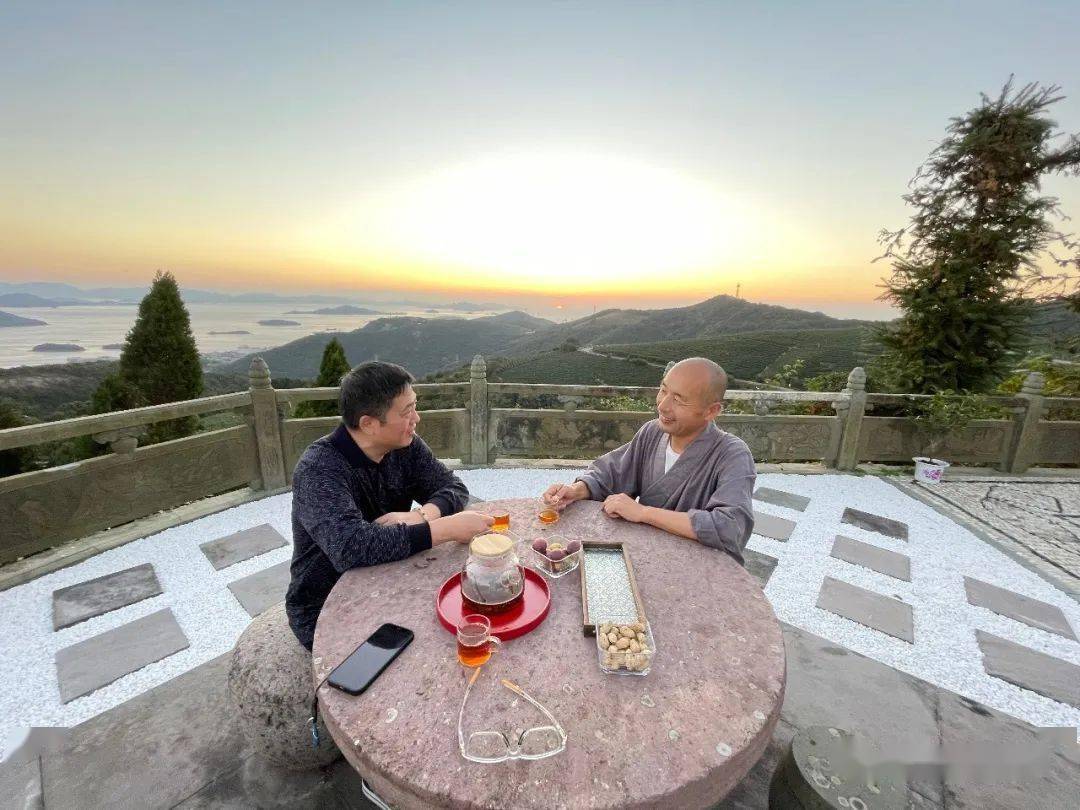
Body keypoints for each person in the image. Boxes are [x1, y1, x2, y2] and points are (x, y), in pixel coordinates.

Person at [286, 361, 493, 650]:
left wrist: (422, 515)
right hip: (329, 604)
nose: (416, 418)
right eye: (407, 412)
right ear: (369, 423)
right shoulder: (319, 469)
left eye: (415, 407)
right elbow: (350, 547)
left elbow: (453, 488)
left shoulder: (405, 446)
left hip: (392, 579)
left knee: (479, 616)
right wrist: (443, 529)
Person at [542, 357, 755, 563]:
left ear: (711, 411)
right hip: (648, 554)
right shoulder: (652, 432)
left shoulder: (733, 455)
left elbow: (729, 527)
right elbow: (614, 472)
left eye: (679, 399)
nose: (663, 405)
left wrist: (643, 512)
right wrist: (577, 490)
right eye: (663, 390)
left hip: (699, 566)